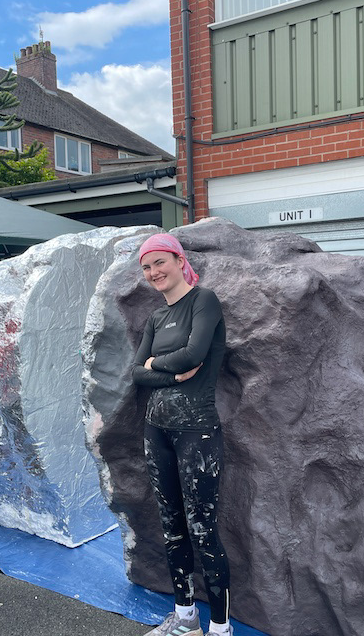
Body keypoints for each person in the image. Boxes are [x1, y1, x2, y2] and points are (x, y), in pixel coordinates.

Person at [132, 233, 232, 636]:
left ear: (178, 260)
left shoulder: (204, 300)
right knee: (171, 526)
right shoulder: (156, 318)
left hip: (197, 433)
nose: (154, 272)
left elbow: (196, 353)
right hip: (157, 431)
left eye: (159, 263)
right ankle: (186, 617)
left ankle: (221, 628)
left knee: (203, 528)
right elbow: (137, 372)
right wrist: (168, 371)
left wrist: (155, 363)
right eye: (146, 267)